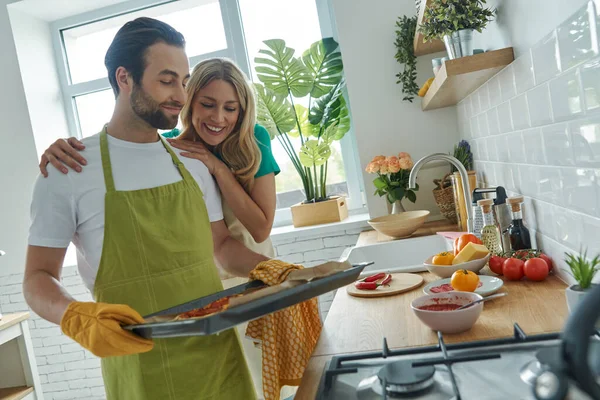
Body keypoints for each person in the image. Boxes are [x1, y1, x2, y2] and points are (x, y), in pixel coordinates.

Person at [24, 17, 296, 400]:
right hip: (139, 368)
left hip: (217, 357)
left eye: (184, 82)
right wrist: (74, 315)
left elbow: (221, 246)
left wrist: (266, 268)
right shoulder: (69, 170)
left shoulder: (193, 162)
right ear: (125, 78)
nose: (181, 96)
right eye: (167, 80)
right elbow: (36, 276)